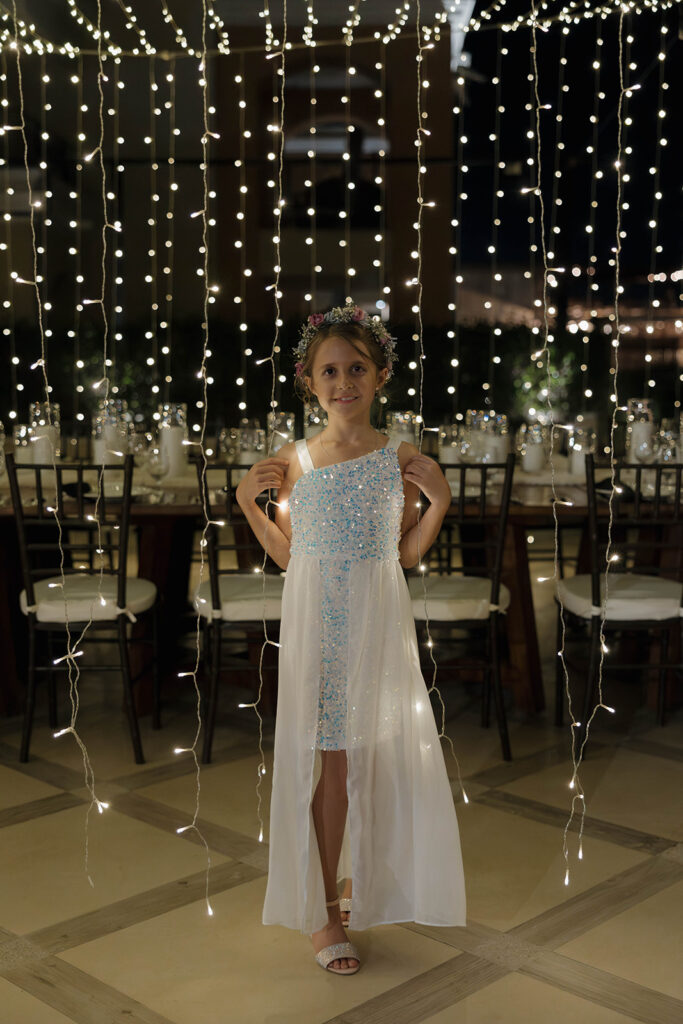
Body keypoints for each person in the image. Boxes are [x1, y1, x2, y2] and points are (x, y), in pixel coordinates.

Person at [236, 303, 465, 977]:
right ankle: (322, 915)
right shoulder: (294, 460)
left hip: (375, 617)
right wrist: (249, 506)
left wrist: (440, 504)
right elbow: (287, 557)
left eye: (356, 369)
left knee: (373, 757)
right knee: (330, 763)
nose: (343, 383)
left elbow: (403, 554)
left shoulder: (399, 456)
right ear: (308, 380)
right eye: (329, 371)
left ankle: (359, 881)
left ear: (381, 375)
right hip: (318, 624)